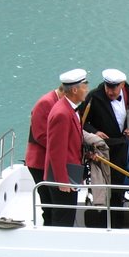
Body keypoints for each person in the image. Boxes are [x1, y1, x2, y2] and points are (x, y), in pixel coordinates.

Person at [82, 68, 129, 216]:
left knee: (120, 186)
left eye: (114, 88)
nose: (110, 92)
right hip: (101, 149)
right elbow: (81, 121)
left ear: (122, 85)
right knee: (101, 185)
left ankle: (116, 219)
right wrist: (95, 132)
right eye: (108, 87)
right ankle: (101, 217)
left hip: (124, 148)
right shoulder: (94, 97)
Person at [43, 69, 90, 227]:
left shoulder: (69, 109)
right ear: (75, 90)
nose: (87, 90)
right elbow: (56, 151)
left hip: (71, 172)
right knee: (63, 218)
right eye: (85, 86)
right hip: (64, 177)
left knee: (68, 215)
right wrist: (62, 181)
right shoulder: (62, 113)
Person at [26, 73, 68, 225]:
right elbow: (40, 135)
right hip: (39, 162)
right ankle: (49, 228)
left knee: (54, 202)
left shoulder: (58, 103)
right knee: (48, 202)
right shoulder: (45, 103)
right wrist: (66, 147)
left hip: (52, 160)